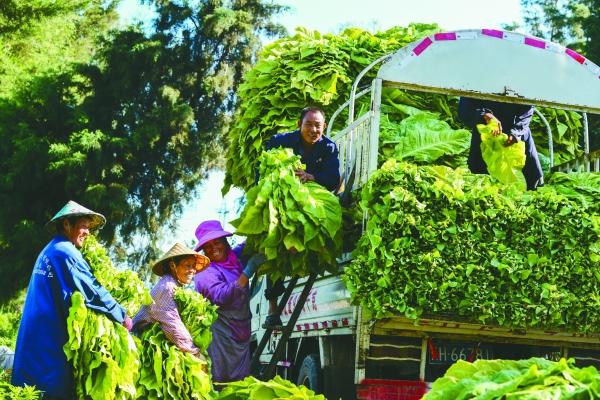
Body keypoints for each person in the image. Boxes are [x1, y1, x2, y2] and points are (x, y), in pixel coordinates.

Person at [11, 200, 132, 400]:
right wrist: (122, 315)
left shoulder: (50, 249)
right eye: (84, 226)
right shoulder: (66, 252)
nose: (87, 232)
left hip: (35, 337)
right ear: (67, 224)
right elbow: (92, 289)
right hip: (48, 341)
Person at [261, 106, 341, 329]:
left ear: (324, 127)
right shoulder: (280, 141)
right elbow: (264, 168)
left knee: (324, 221)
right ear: (299, 125)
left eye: (318, 125)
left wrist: (311, 176)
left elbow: (333, 179)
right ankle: (273, 308)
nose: (313, 129)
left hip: (312, 196)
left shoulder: (329, 147)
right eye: (309, 124)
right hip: (283, 196)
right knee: (275, 241)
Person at [193, 220, 265, 386]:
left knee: (240, 383)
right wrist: (247, 272)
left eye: (217, 242)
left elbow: (249, 245)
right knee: (221, 382)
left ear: (225, 242)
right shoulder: (205, 272)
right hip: (221, 333)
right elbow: (221, 296)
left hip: (242, 329)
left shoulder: (233, 258)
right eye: (208, 246)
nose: (214, 249)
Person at [131, 242, 210, 359]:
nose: (193, 270)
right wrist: (194, 353)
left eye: (193, 266)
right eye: (188, 265)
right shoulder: (166, 287)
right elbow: (173, 325)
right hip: (137, 346)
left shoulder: (175, 286)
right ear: (173, 266)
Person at [458, 97, 544, 190]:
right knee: (482, 187)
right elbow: (464, 108)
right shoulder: (475, 83)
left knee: (532, 187)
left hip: (517, 138)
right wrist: (483, 115)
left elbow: (527, 108)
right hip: (486, 137)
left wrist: (515, 132)